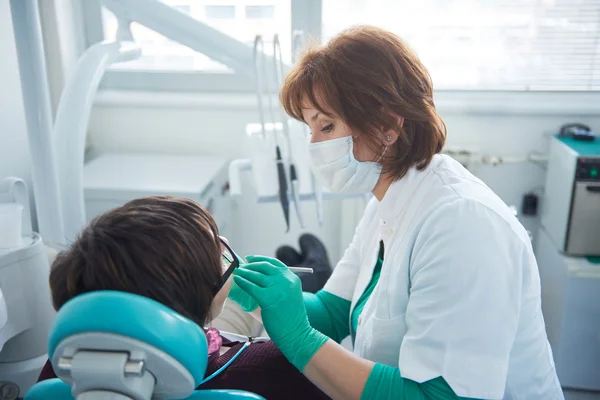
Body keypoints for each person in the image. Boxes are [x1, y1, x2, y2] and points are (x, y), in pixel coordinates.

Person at [229, 26, 564, 400]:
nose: (314, 145)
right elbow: (334, 312)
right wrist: (243, 289)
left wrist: (298, 338)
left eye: (326, 126)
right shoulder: (386, 202)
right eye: (310, 129)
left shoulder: (463, 224)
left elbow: (440, 396)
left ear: (387, 124)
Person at [37, 196, 330, 400]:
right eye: (219, 254)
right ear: (198, 295)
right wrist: (301, 336)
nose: (226, 248)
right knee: (245, 312)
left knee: (236, 309)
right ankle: (316, 277)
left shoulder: (64, 366)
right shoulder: (273, 365)